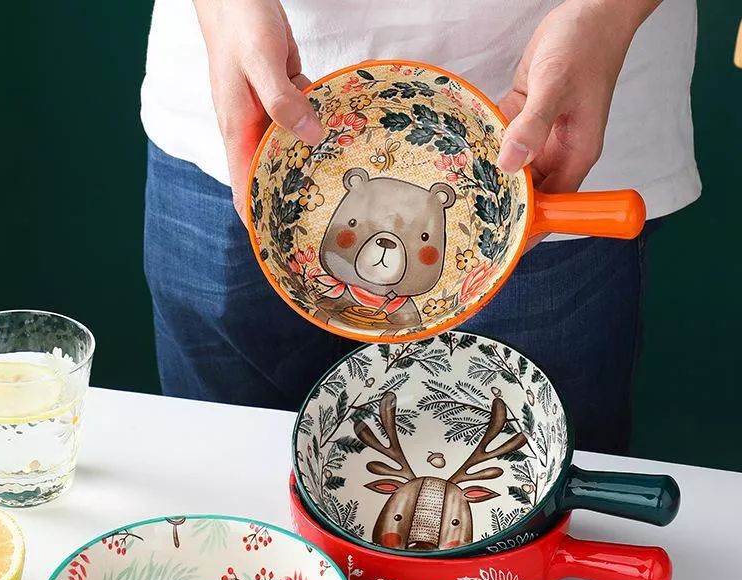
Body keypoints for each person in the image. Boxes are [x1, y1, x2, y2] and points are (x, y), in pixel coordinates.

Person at [140, 0, 700, 455]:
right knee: (225, 472)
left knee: (519, 497)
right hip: (242, 103)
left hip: (557, 122)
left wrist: (608, 14)